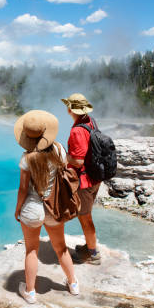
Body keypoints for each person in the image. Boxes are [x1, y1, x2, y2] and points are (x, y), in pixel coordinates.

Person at [13, 110, 79, 304]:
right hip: (54, 207)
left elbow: (23, 189)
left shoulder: (27, 158)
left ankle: (30, 292)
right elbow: (63, 172)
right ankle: (73, 284)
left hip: (33, 208)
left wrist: (18, 209)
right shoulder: (58, 149)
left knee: (31, 250)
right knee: (61, 248)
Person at [61, 93, 101, 265]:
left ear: (70, 109)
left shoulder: (77, 130)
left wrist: (64, 156)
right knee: (87, 215)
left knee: (85, 218)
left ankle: (93, 255)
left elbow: (78, 161)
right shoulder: (90, 121)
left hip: (84, 182)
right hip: (95, 176)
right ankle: (89, 246)